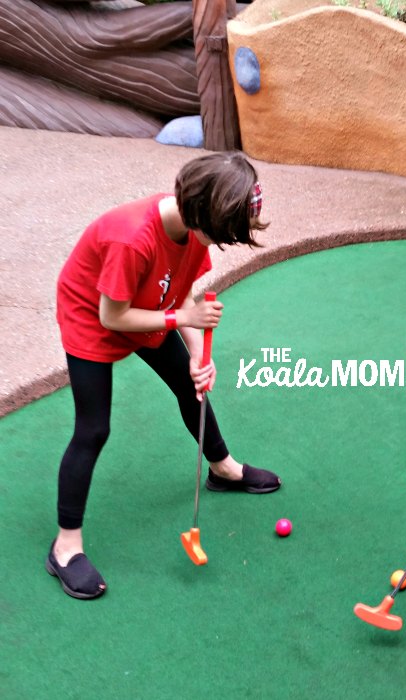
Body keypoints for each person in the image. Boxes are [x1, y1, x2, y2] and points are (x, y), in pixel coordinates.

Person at [47, 151, 281, 600]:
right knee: (93, 429)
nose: (216, 244)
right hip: (93, 316)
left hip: (150, 307)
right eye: (218, 233)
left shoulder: (193, 228)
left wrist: (196, 353)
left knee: (188, 387)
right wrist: (180, 320)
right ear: (200, 212)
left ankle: (223, 469)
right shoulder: (132, 239)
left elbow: (183, 292)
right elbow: (113, 316)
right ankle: (65, 547)